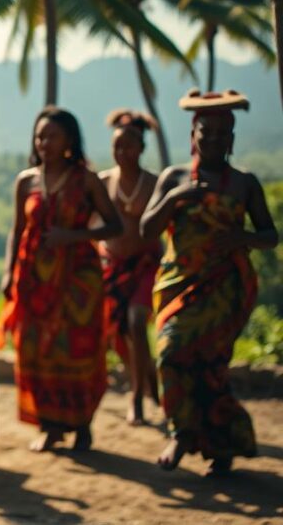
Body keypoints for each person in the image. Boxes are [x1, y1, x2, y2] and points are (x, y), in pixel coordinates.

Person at [140, 90, 277, 476]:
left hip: (226, 290)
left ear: (232, 138)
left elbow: (270, 235)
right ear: (192, 135)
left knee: (211, 367)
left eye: (222, 133)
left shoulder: (245, 184)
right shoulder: (174, 178)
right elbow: (146, 229)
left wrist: (241, 238)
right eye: (207, 132)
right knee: (170, 352)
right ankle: (182, 432)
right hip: (177, 287)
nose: (214, 139)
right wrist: (177, 197)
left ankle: (220, 447)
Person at [0, 107, 122, 452]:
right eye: (40, 136)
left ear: (69, 141)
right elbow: (17, 230)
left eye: (52, 136)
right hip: (33, 280)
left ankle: (82, 425)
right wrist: (8, 272)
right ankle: (49, 426)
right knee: (35, 350)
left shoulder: (87, 180)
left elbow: (114, 225)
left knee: (77, 350)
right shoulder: (26, 181)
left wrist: (74, 236)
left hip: (78, 282)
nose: (44, 143)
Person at [98, 110, 162, 426]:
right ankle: (147, 380)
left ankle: (137, 399)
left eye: (129, 146)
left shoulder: (154, 183)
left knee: (137, 321)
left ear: (141, 148)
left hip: (145, 264)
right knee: (116, 332)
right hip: (111, 264)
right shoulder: (102, 182)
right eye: (117, 146)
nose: (122, 152)